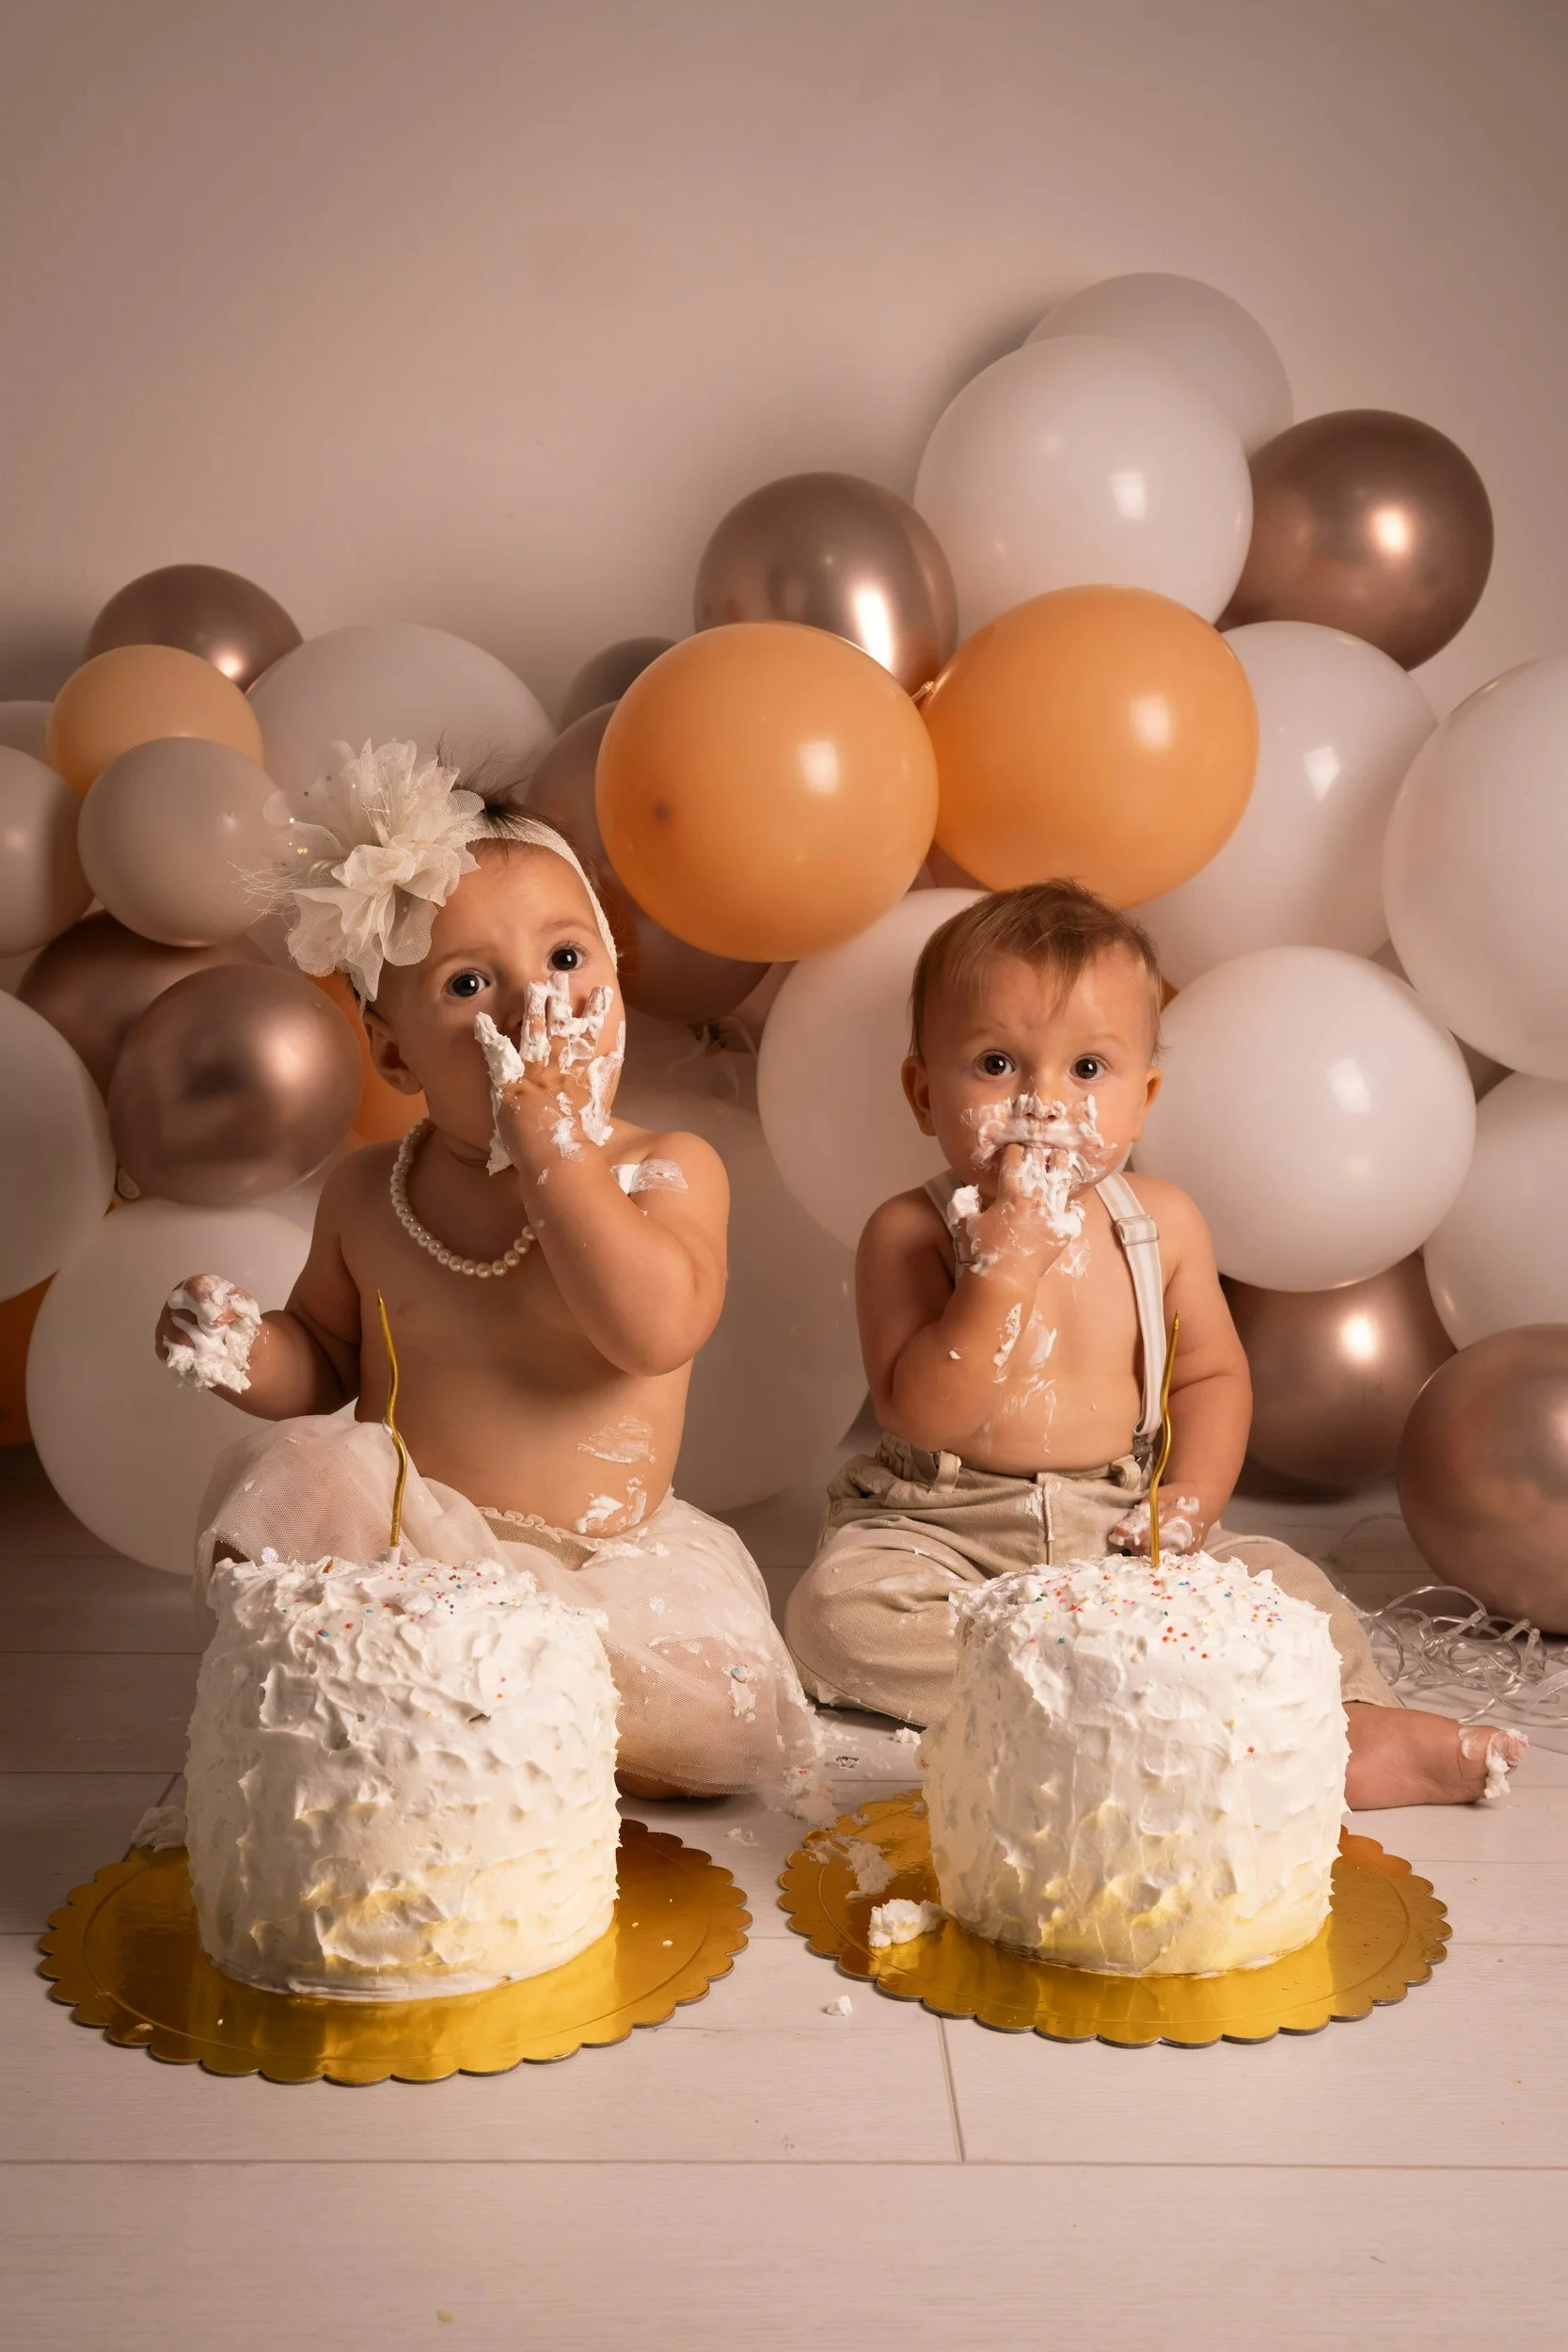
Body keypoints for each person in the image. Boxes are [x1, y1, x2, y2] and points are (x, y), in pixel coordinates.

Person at [155, 739, 815, 1801]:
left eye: (566, 963)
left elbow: (651, 1330)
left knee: (721, 1724)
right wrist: (247, 1350)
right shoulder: (371, 1192)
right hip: (413, 1552)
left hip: (607, 1570)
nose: (530, 1009)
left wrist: (556, 1153)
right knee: (311, 1470)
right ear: (396, 1054)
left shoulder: (661, 1170)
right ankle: (386, 1698)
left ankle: (483, 1711)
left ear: (612, 981)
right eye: (469, 983)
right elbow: (322, 1361)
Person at [784, 880, 1523, 1807]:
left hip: (1117, 1526)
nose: (1041, 1104)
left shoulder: (1158, 1225)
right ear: (922, 1092)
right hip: (943, 1529)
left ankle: (1347, 1726)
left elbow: (1209, 1374)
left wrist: (1187, 1503)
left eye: (1086, 1071)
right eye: (996, 1063)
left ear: (1142, 1099)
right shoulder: (909, 1232)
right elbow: (919, 1410)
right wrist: (997, 1278)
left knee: (1288, 1584)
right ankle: (1111, 1703)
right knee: (837, 1617)